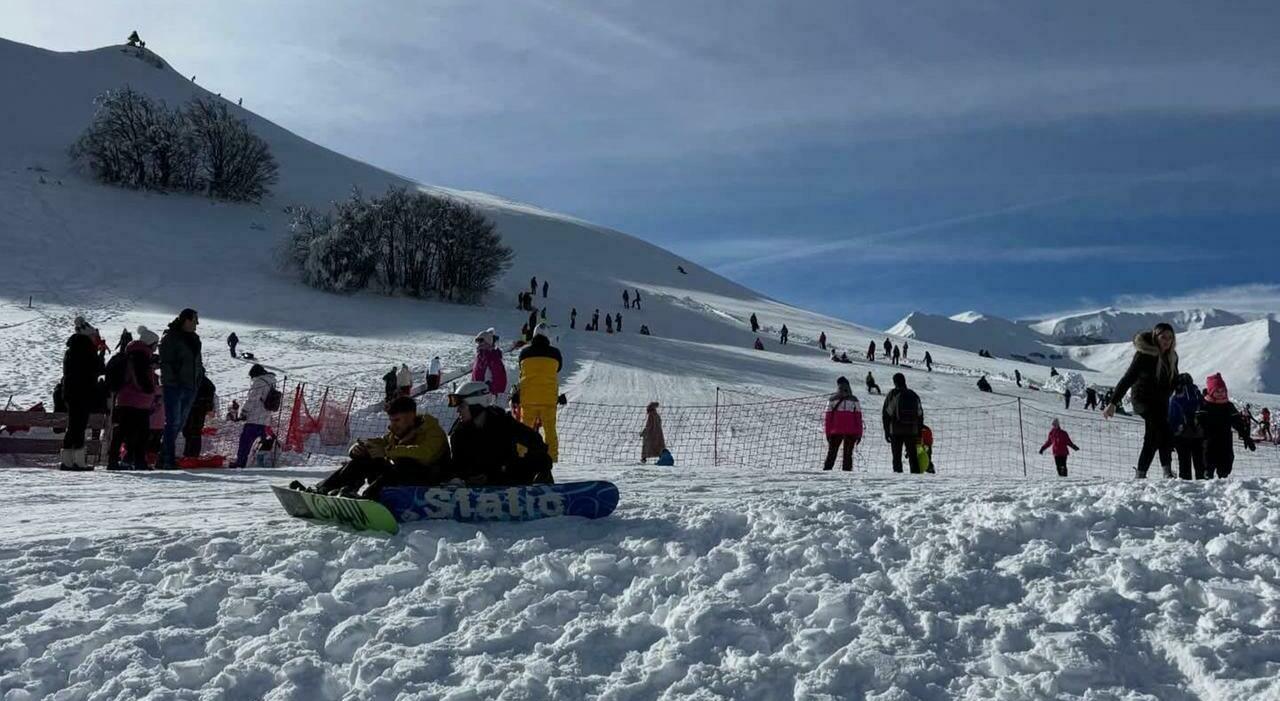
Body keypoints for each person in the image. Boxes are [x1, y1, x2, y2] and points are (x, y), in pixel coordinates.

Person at [305, 396, 450, 497]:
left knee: (405, 464)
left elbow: (425, 453)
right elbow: (381, 442)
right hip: (404, 478)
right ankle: (325, 489)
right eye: (391, 420)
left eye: (397, 420)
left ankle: (369, 498)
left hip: (430, 480)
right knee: (366, 459)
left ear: (411, 416)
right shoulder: (399, 432)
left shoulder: (432, 430)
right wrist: (359, 448)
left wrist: (387, 452)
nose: (393, 425)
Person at [1104, 323, 1178, 479]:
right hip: (1143, 399)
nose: (1167, 341)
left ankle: (1156, 472)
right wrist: (1112, 403)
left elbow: (1172, 380)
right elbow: (1128, 378)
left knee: (1160, 433)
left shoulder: (1172, 356)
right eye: (1163, 337)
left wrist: (1180, 382)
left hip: (1161, 400)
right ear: (1155, 337)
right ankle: (1154, 473)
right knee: (1159, 431)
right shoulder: (1144, 354)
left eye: (1170, 338)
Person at [447, 381, 553, 484]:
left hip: (508, 479)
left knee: (542, 461)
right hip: (477, 490)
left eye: (462, 407)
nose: (458, 411)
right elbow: (458, 466)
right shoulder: (458, 433)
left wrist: (520, 468)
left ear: (476, 406)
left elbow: (535, 441)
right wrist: (465, 479)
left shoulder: (502, 422)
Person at [158, 308, 204, 469]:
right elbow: (166, 363)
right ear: (186, 320)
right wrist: (173, 381)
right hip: (175, 387)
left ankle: (163, 457)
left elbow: (198, 362)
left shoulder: (194, 339)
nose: (196, 324)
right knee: (173, 422)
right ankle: (168, 459)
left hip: (190, 386)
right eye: (194, 320)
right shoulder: (171, 338)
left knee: (179, 423)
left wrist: (199, 379)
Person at [108, 326, 158, 470]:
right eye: (155, 345)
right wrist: (151, 390)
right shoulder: (141, 357)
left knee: (122, 432)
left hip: (124, 400)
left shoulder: (130, 354)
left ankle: (114, 461)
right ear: (150, 344)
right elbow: (142, 381)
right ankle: (138, 461)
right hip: (138, 401)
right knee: (141, 433)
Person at [60, 317, 106, 470]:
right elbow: (98, 369)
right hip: (83, 392)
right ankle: (78, 461)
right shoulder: (86, 350)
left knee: (74, 426)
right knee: (78, 426)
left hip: (72, 392)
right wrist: (101, 354)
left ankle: (68, 460)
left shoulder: (72, 350)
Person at [517, 325, 563, 463]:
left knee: (524, 431)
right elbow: (559, 368)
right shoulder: (555, 353)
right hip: (548, 399)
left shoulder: (524, 353)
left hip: (528, 398)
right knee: (550, 432)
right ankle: (552, 459)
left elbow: (521, 367)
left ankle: (520, 458)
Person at [1198, 373, 1255, 479]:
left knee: (1226, 462)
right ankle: (1207, 477)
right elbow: (1198, 422)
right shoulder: (1204, 405)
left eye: (1223, 391)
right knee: (1208, 461)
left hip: (1225, 440)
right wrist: (1202, 430)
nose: (1220, 394)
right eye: (1217, 391)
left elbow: (1237, 422)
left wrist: (1246, 436)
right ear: (1211, 391)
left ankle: (1223, 479)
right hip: (1209, 440)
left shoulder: (1228, 406)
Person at [231, 364, 278, 468]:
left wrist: (244, 412)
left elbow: (252, 399)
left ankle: (240, 462)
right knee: (263, 442)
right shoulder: (272, 382)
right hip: (266, 419)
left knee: (245, 442)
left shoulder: (259, 382)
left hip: (254, 418)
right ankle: (261, 463)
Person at [882, 373, 923, 474]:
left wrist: (887, 431)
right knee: (913, 457)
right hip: (912, 430)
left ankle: (898, 480)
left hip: (896, 430)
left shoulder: (893, 394)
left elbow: (886, 414)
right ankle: (916, 480)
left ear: (895, 382)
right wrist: (919, 431)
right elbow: (920, 414)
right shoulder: (913, 394)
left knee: (897, 457)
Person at [1168, 373, 1206, 480]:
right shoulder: (1198, 395)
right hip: (1198, 434)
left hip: (1181, 435)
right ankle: (1204, 486)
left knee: (1184, 464)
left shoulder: (1175, 398)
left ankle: (1187, 488)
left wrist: (1171, 438)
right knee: (1199, 464)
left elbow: (1171, 419)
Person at [823, 377, 863, 471]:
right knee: (848, 455)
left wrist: (828, 433)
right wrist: (859, 433)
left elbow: (828, 418)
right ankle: (847, 476)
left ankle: (826, 473)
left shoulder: (832, 399)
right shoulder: (854, 400)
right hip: (851, 431)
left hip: (835, 431)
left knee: (831, 454)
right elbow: (858, 418)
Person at [182, 376, 216, 459]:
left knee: (193, 431)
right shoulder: (203, 381)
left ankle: (191, 454)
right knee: (190, 431)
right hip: (195, 408)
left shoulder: (201, 381)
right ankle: (189, 454)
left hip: (196, 408)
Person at [471, 328, 509, 403]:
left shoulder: (493, 358)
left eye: (482, 342)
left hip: (488, 396)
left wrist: (490, 388)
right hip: (477, 394)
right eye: (478, 342)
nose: (479, 345)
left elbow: (500, 379)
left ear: (488, 343)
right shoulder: (479, 358)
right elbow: (475, 375)